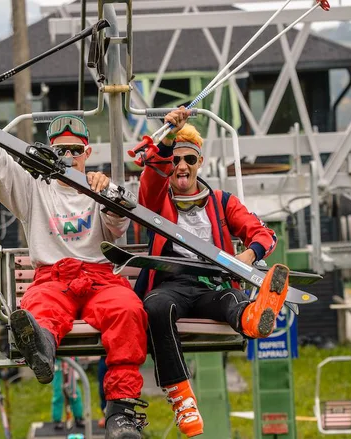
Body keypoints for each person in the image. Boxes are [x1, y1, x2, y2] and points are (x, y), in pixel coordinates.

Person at [0, 85, 149, 439]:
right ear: (51, 152)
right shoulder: (33, 189)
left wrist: (106, 197)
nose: (69, 157)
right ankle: (40, 345)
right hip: (53, 277)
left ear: (87, 152)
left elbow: (117, 228)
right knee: (41, 308)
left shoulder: (99, 188)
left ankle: (121, 410)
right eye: (61, 151)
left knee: (127, 310)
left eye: (76, 150)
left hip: (98, 276)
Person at [136, 108, 289, 438]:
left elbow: (263, 233)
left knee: (231, 299)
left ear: (199, 163)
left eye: (189, 160)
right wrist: (165, 140)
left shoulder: (220, 202)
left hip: (210, 282)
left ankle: (253, 318)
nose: (181, 167)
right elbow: (150, 178)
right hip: (172, 281)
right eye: (175, 160)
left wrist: (246, 255)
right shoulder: (157, 201)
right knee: (156, 308)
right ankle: (181, 397)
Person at [51, 358, 84, 430]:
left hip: (70, 365)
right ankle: (57, 420)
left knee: (75, 394)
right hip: (58, 366)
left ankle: (78, 417)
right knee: (58, 394)